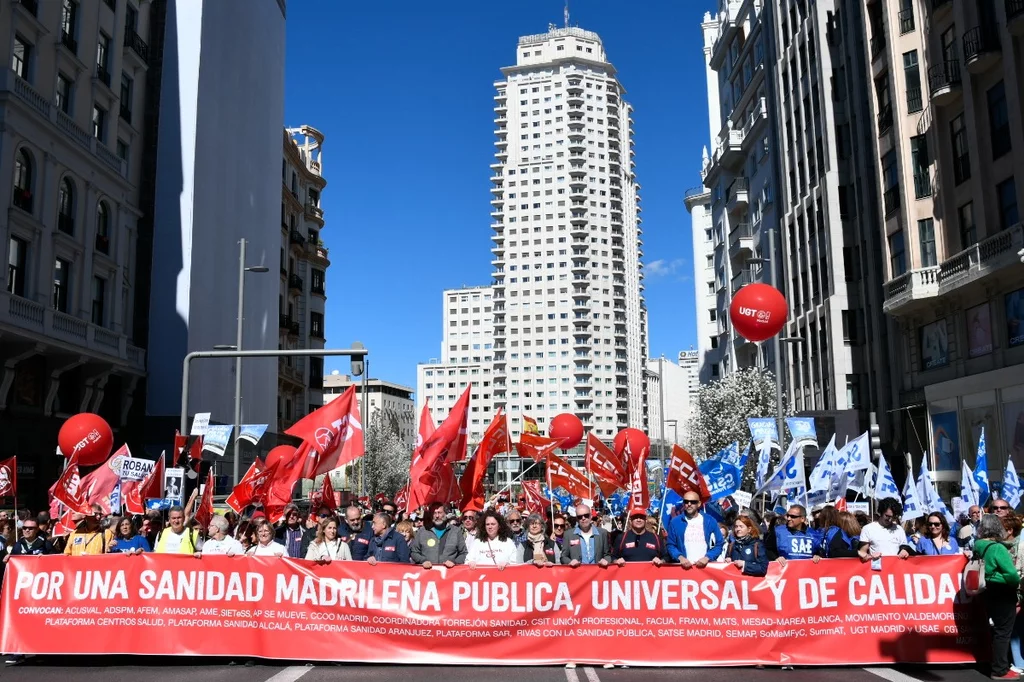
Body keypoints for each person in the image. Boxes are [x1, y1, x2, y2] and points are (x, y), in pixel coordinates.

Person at [974, 514, 1021, 680]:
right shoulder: (997, 548)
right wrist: (1016, 584)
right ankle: (1000, 670)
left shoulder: (978, 545)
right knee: (1004, 632)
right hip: (1002, 591)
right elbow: (1011, 573)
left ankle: (998, 664)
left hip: (986, 590)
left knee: (996, 631)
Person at [666, 493, 724, 568]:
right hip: (683, 569)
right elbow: (671, 545)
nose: (689, 504)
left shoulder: (710, 521)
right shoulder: (675, 522)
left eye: (693, 502)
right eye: (686, 501)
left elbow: (719, 544)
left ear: (699, 503)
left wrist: (707, 557)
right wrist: (680, 557)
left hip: (706, 569)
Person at [410, 502, 467, 569]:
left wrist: (454, 562)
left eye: (439, 512)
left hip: (449, 574)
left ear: (445, 514)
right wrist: (423, 561)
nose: (437, 516)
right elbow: (414, 552)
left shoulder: (456, 531)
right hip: (427, 574)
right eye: (434, 513)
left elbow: (463, 553)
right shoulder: (422, 531)